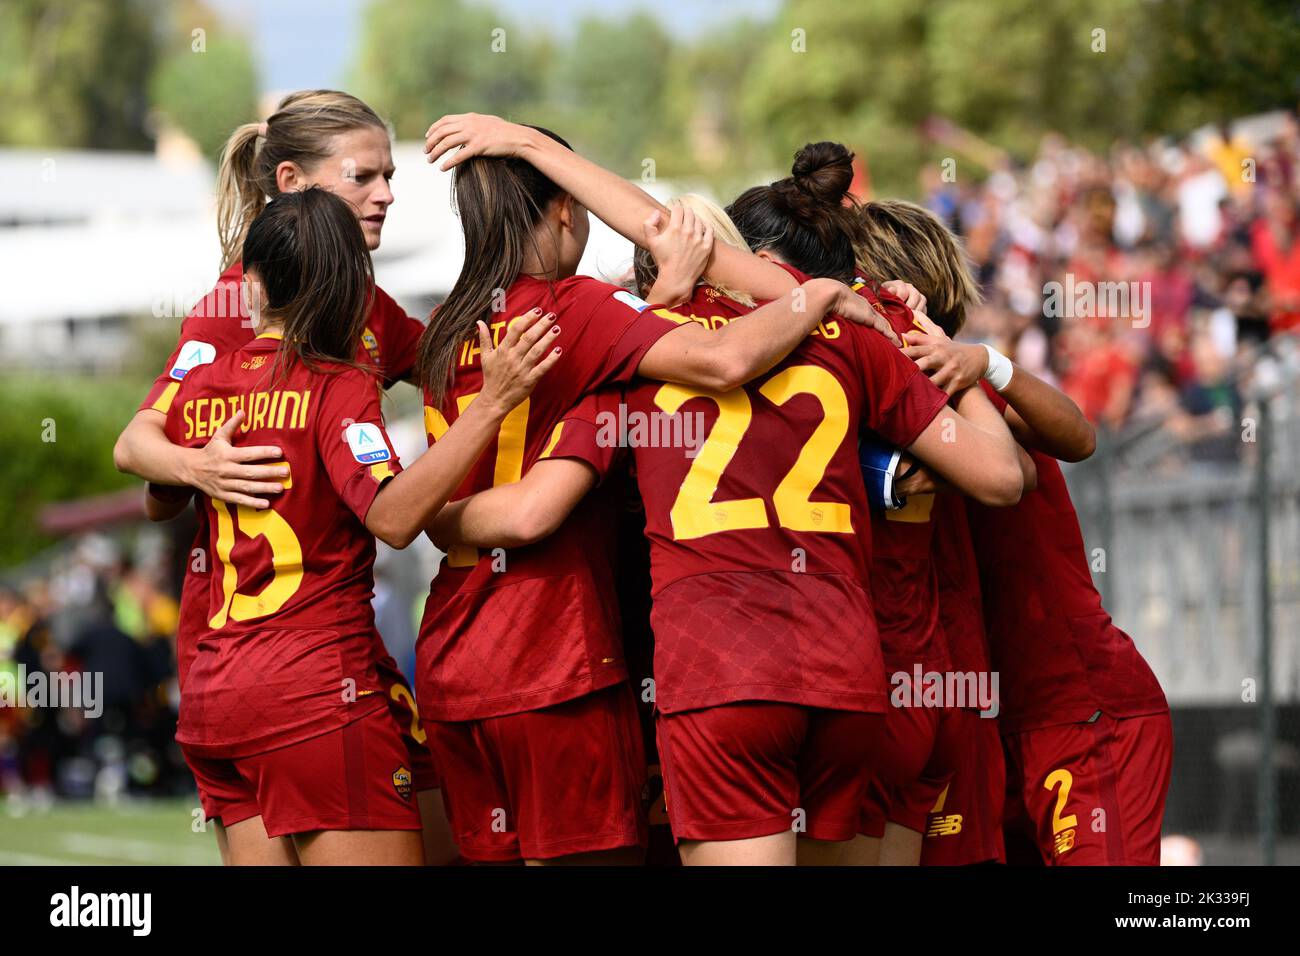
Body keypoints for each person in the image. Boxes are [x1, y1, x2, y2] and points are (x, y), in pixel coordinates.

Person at [417, 133, 1025, 864]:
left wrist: (423, 514)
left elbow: (538, 502)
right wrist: (972, 364)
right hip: (851, 672)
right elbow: (1001, 477)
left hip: (719, 673)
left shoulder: (638, 347)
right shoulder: (860, 325)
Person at [146, 187, 558, 865]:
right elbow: (393, 517)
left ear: (251, 283)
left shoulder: (199, 387)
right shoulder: (336, 385)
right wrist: (493, 404)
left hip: (217, 694)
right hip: (312, 694)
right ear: (351, 287)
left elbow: (156, 495)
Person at [113, 90, 453, 864]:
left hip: (290, 664)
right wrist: (193, 465)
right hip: (286, 662)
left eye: (390, 175)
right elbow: (138, 447)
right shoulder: (234, 307)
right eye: (364, 176)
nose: (387, 194)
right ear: (293, 182)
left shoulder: (354, 295)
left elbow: (440, 358)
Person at [858, 198, 1172, 866]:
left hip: (1075, 713)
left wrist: (987, 364)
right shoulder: (870, 398)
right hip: (977, 726)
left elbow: (1078, 436)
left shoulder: (961, 388)